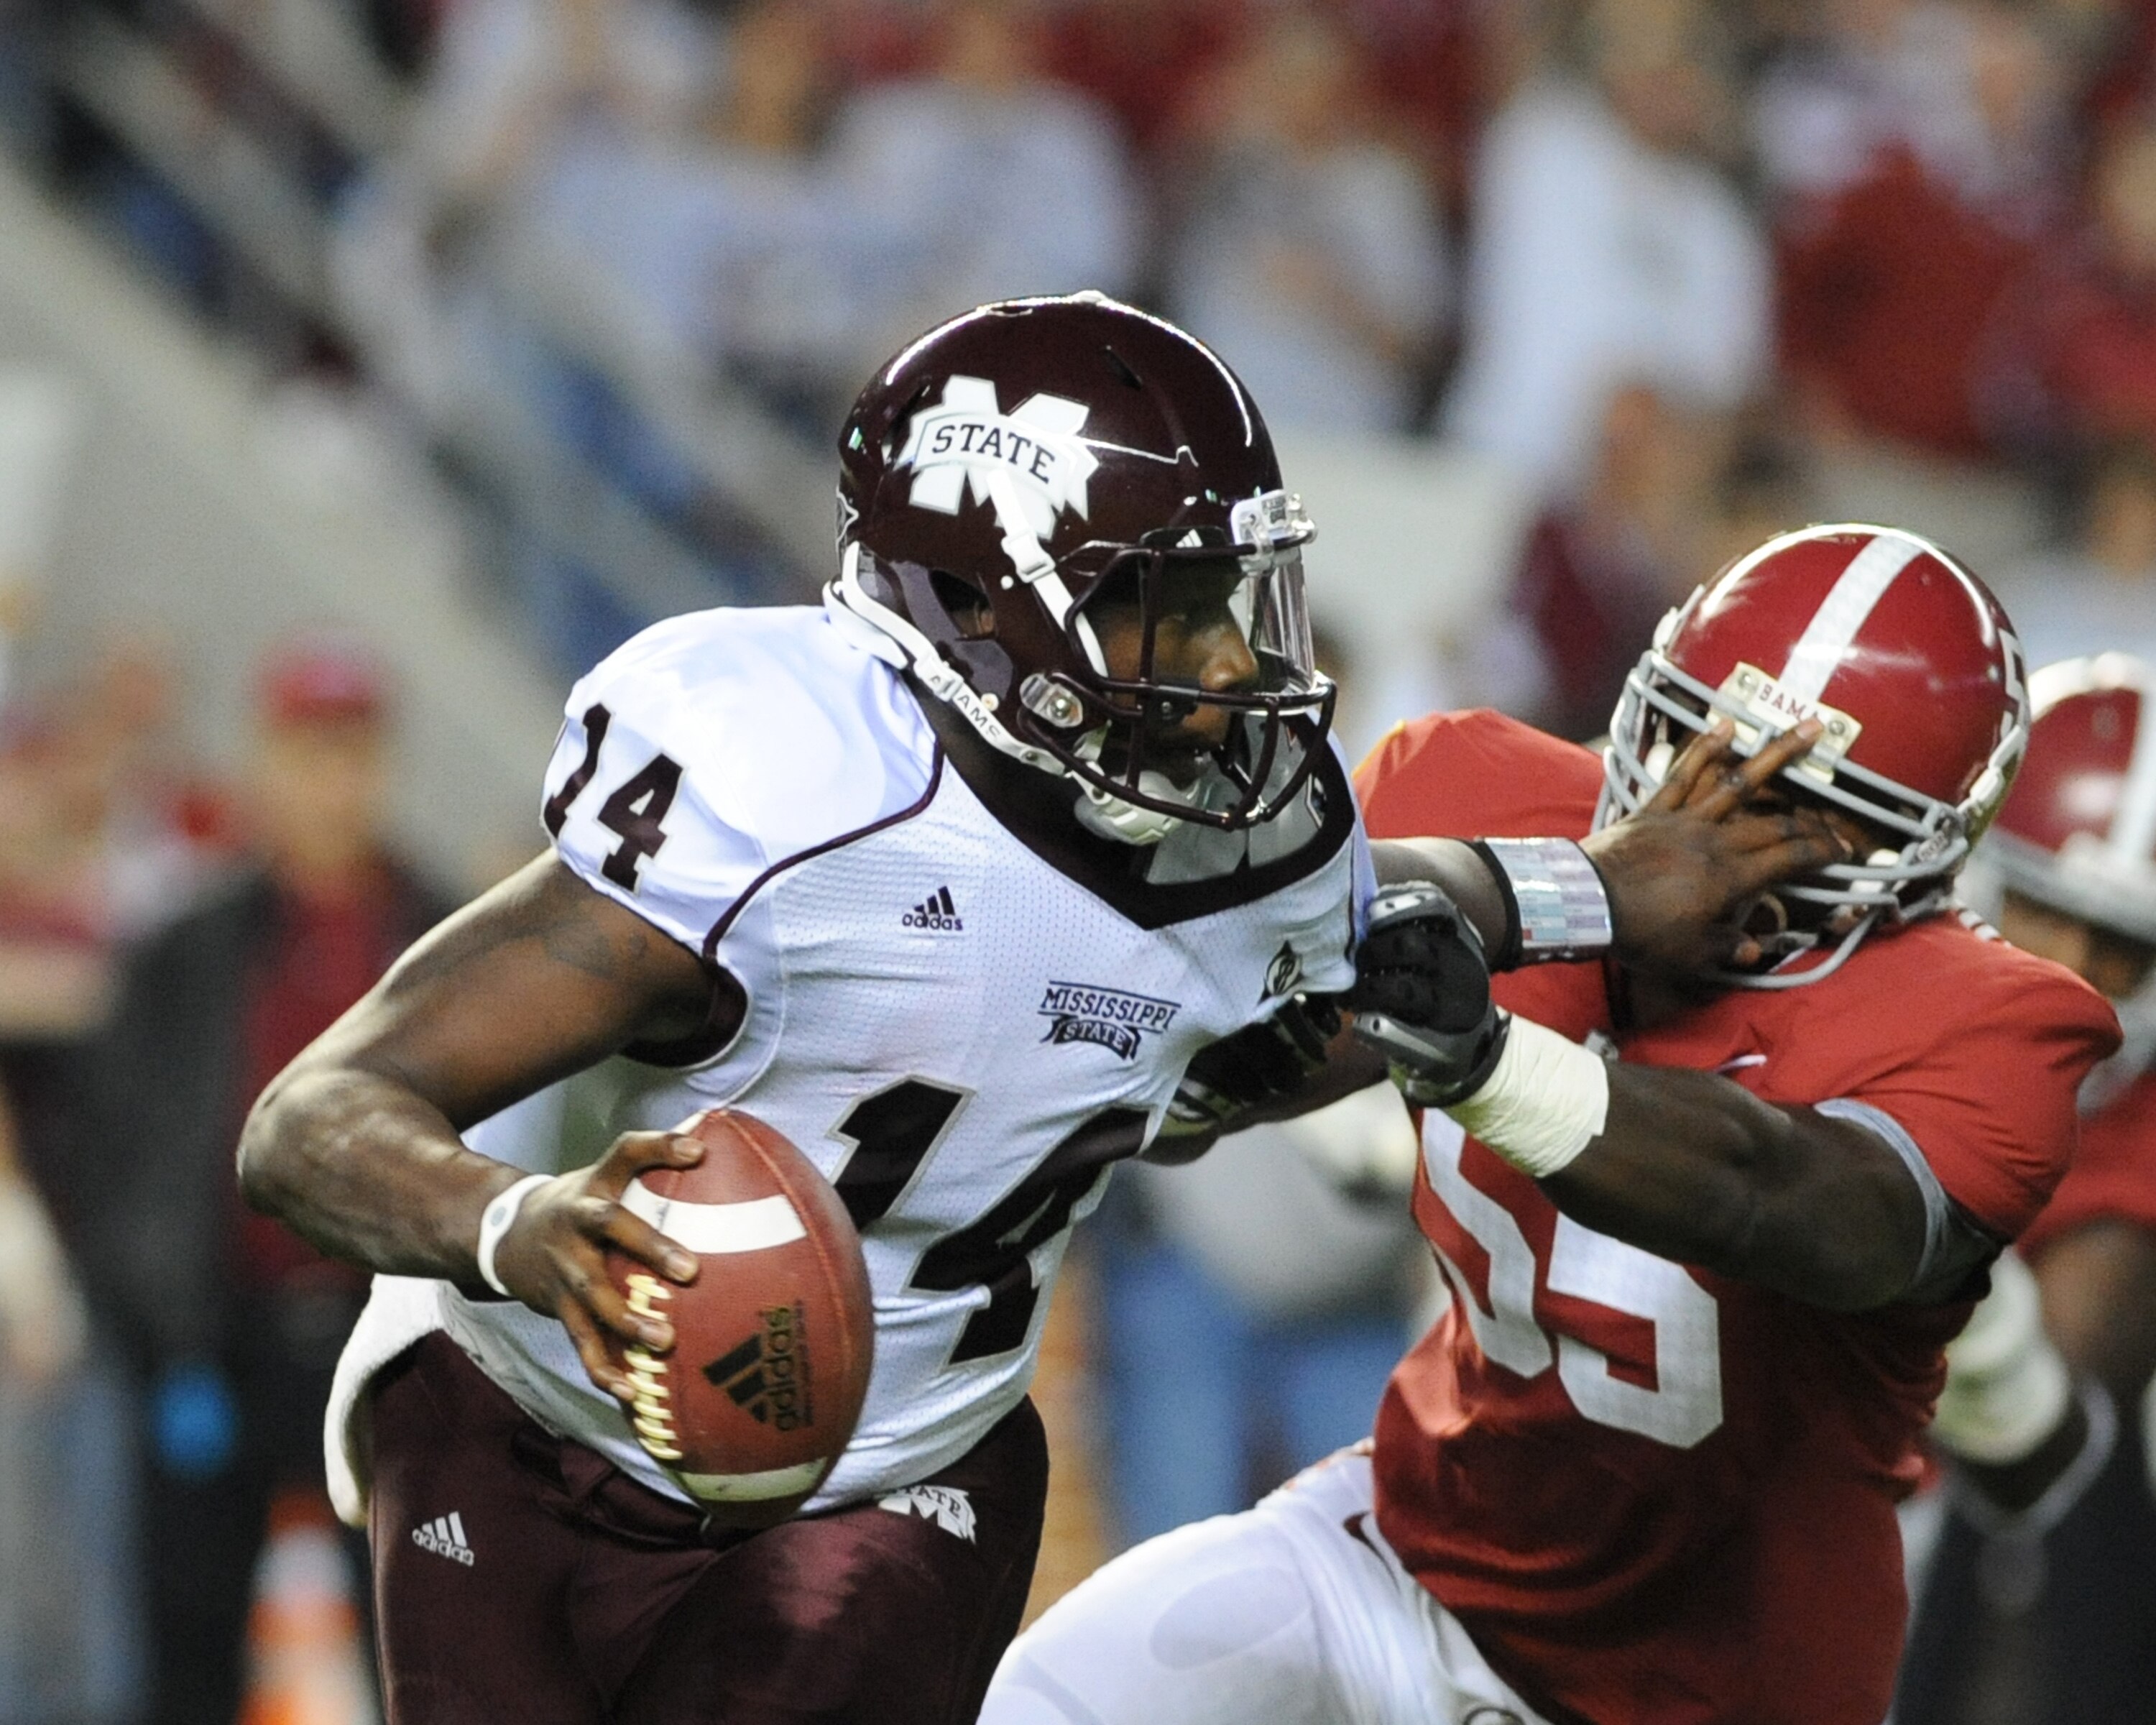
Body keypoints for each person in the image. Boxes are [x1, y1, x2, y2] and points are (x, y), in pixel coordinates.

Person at [236, 293, 1843, 1725]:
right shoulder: (792, 799)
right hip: (526, 1419)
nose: (1227, 665)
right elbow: (315, 1119)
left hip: (904, 1467)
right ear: (986, 604)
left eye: (1235, 599)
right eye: (1174, 604)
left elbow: (1364, 936)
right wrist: (524, 1230)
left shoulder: (1254, 839)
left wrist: (1606, 884)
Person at [980, 523, 2122, 1725]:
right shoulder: (1492, 788)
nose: (1715, 809)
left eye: (1804, 808)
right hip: (1406, 1561)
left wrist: (1486, 1060)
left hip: (1712, 1695)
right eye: (1696, 736)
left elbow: (1785, 1199)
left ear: (1924, 854)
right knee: (1062, 1694)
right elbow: (1208, 1071)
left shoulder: (1994, 1021)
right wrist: (1579, 898)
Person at [88, 639, 452, 1725]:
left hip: (381, 1340)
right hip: (216, 1335)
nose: (328, 779)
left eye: (349, 751)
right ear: (264, 758)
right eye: (306, 750)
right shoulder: (193, 944)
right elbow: (120, 1143)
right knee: (188, 1642)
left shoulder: (443, 932)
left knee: (417, 1648)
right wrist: (151, 1314)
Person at [1895, 652, 2156, 1724]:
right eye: (2048, 913)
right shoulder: (1858, 974)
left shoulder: (2137, 1128)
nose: (2077, 975)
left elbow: (2032, 1406)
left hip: (1921, 1526)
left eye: (2125, 947)